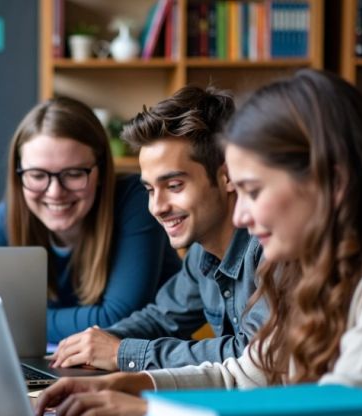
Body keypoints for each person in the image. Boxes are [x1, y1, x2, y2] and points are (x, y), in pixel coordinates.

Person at [35, 69, 362, 416]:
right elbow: (243, 376)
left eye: (253, 191)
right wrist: (133, 383)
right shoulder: (314, 271)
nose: (240, 214)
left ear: (331, 183)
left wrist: (149, 409)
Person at [50, 86, 267, 372]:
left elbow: (253, 354)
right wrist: (98, 343)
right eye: (150, 190)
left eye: (174, 186)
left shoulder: (271, 245)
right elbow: (160, 319)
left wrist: (121, 353)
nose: (157, 207)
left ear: (228, 176)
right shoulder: (200, 254)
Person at [0, 97, 180, 345]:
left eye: (74, 174)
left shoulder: (136, 200)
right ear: (19, 174)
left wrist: (19, 321)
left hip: (147, 369)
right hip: (60, 364)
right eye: (37, 175)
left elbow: (116, 319)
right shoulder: (9, 216)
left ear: (100, 171)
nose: (55, 192)